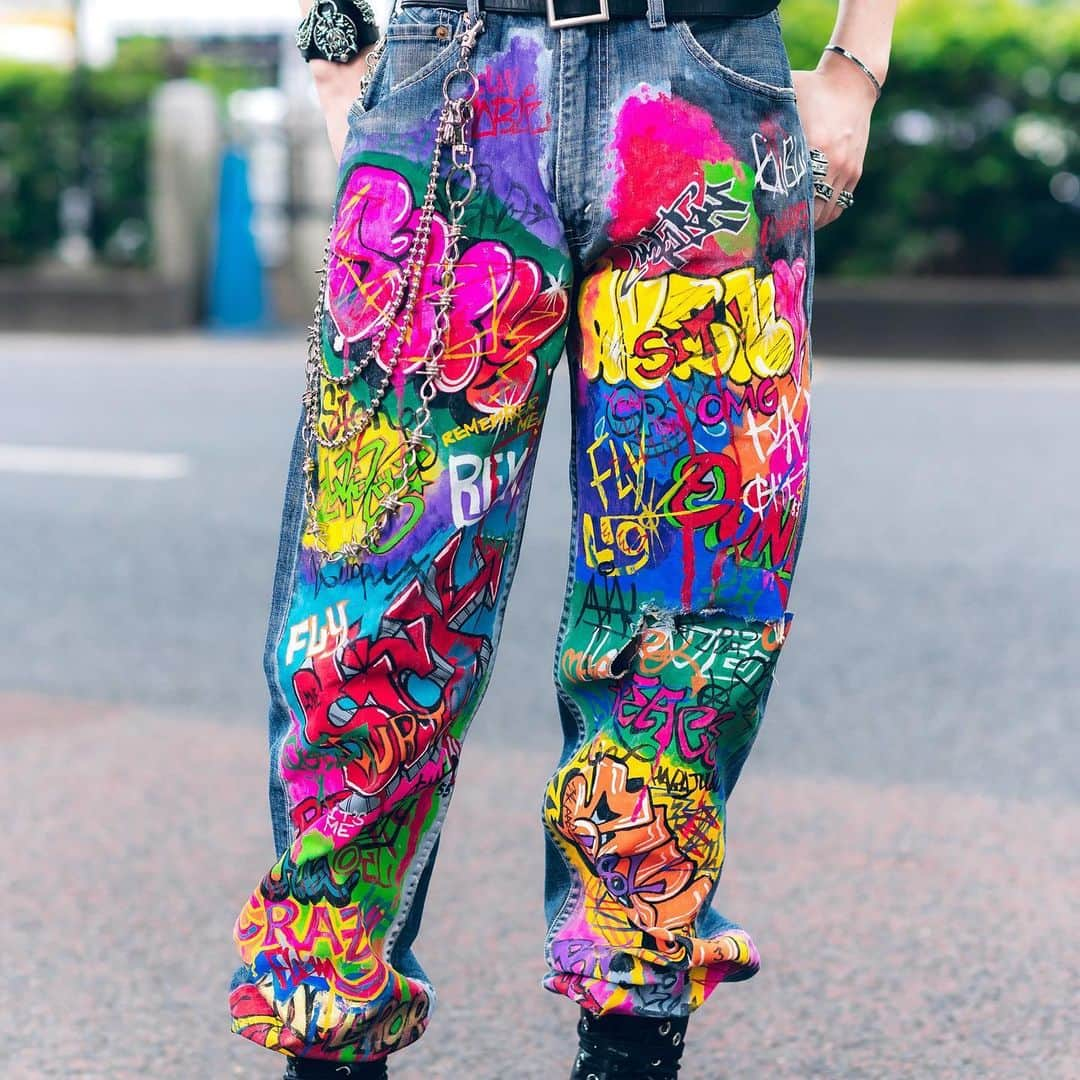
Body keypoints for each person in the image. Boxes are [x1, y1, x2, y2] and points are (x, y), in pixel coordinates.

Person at [228, 0, 895, 1075]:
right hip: (445, 67)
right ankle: (331, 1040)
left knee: (685, 627)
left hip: (711, 71)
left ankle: (630, 1048)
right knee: (365, 620)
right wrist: (337, 40)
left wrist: (859, 59)